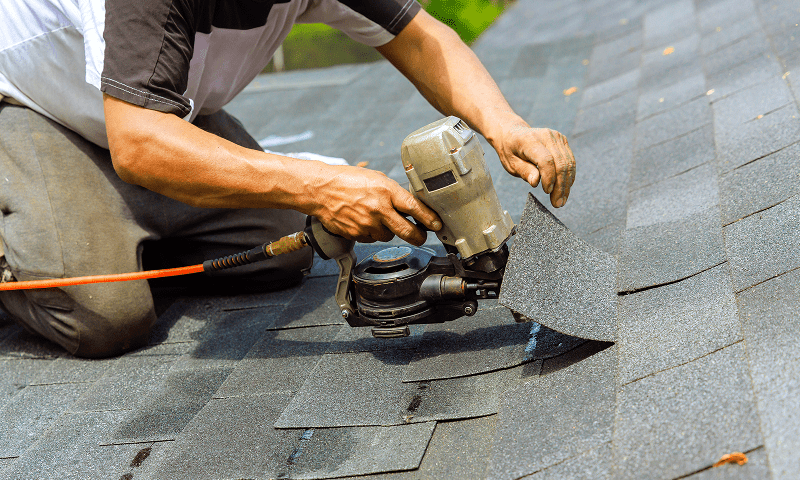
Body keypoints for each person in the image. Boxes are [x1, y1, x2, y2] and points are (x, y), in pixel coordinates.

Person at [0, 0, 575, 358]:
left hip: (152, 114)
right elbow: (139, 142)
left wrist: (505, 126)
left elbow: (422, 38)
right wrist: (319, 184)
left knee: (288, 244)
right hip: (33, 107)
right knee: (104, 314)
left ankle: (114, 228)